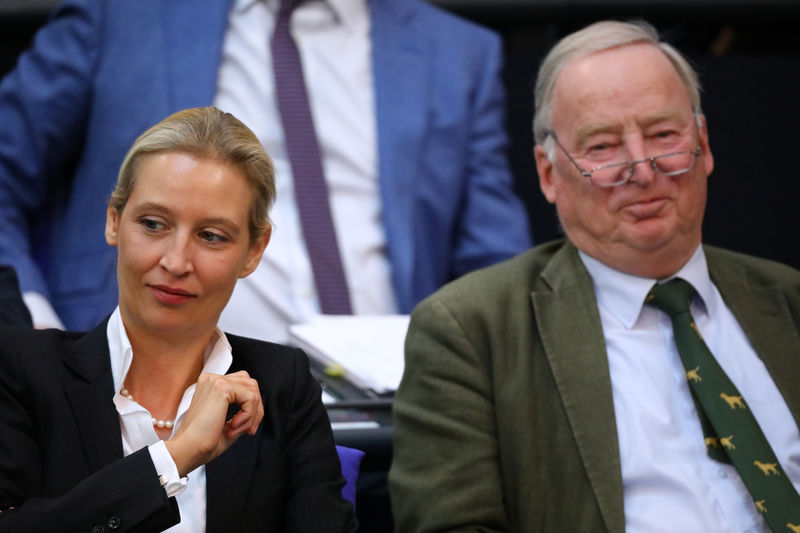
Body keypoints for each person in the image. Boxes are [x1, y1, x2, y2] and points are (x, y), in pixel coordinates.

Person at [389, 20, 800, 532]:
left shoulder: (788, 301)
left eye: (663, 135)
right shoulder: (472, 332)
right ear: (547, 174)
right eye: (602, 147)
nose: (642, 170)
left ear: (704, 145)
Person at [0, 0, 531, 340]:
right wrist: (34, 325)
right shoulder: (122, 14)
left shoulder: (458, 52)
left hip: (389, 411)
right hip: (132, 404)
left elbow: (496, 262)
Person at [0, 107, 355, 532]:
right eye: (153, 224)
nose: (176, 261)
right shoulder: (19, 366)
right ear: (114, 221)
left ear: (255, 250)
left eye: (211, 236)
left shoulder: (284, 383)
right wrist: (176, 456)